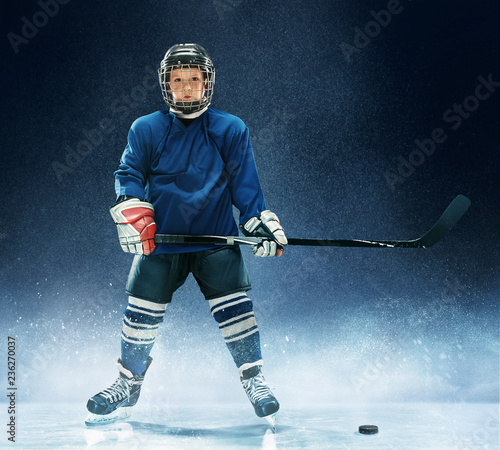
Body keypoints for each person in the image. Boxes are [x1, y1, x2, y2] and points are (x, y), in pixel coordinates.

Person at [85, 43, 287, 428]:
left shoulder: (231, 129)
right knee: (140, 314)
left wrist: (258, 221)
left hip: (217, 241)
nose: (187, 87)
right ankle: (128, 382)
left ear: (207, 82)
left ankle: (254, 378)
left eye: (194, 79)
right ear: (167, 85)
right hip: (160, 242)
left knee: (236, 312)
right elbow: (129, 173)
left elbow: (246, 187)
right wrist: (130, 204)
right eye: (178, 80)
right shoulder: (145, 129)